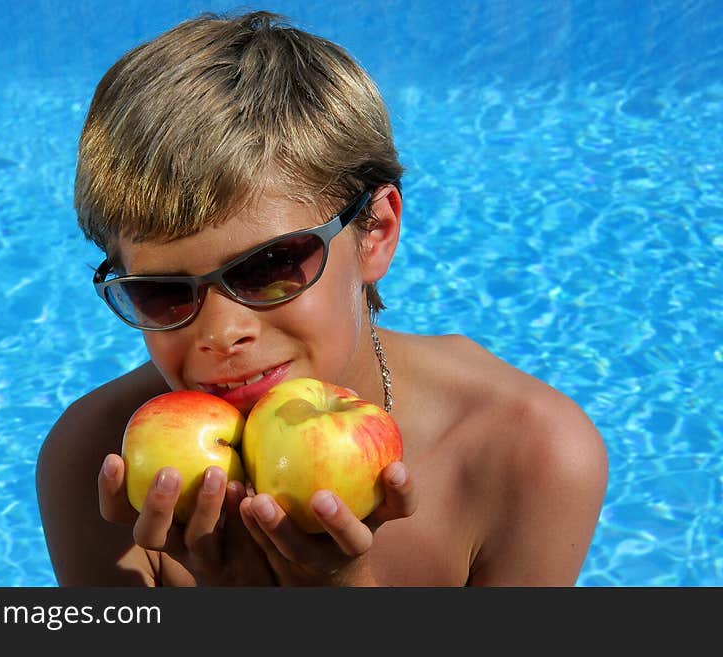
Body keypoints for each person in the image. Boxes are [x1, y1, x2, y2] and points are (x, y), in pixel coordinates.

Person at [36, 10, 608, 586]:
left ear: (376, 232)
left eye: (269, 266)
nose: (220, 331)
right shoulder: (101, 463)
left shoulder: (527, 456)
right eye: (160, 291)